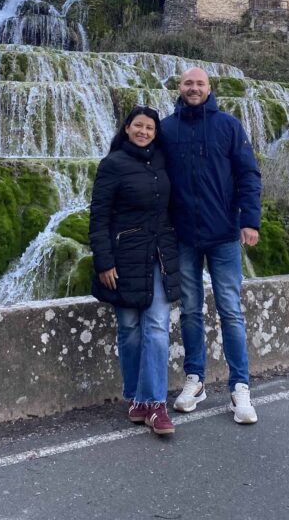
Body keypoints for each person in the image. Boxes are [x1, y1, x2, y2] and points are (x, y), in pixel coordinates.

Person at [161, 67, 262, 424]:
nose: (193, 88)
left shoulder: (228, 126)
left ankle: (240, 387)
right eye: (188, 83)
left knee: (230, 310)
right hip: (184, 235)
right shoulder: (166, 129)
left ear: (209, 88)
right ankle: (195, 380)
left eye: (199, 83)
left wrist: (250, 220)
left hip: (223, 235)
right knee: (190, 310)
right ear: (179, 87)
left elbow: (248, 174)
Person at [88, 106, 181, 436]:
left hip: (159, 255)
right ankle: (136, 398)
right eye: (138, 126)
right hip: (124, 257)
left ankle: (155, 404)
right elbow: (98, 216)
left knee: (156, 326)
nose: (144, 132)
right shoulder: (112, 164)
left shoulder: (163, 161)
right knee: (128, 328)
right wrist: (104, 261)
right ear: (127, 128)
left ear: (156, 133)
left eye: (150, 128)